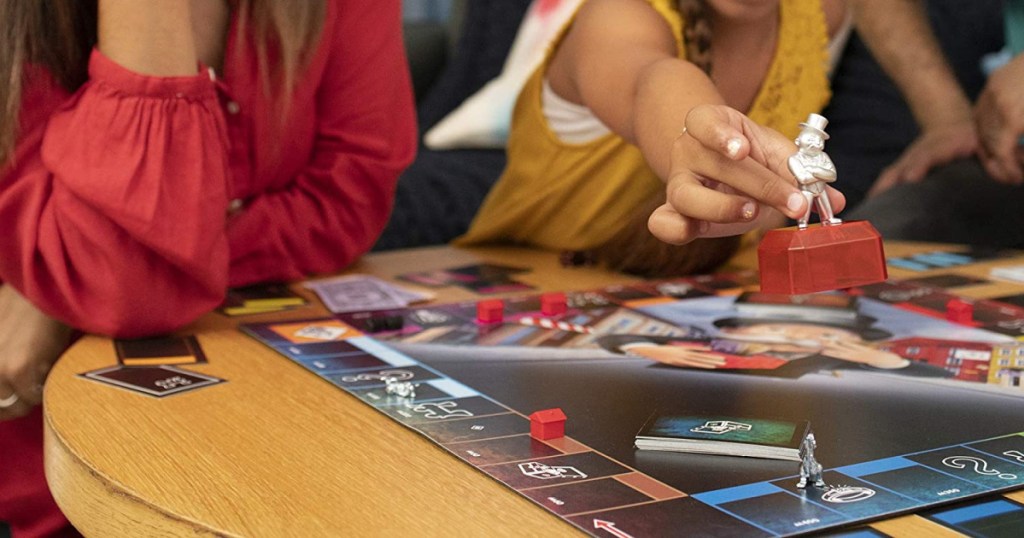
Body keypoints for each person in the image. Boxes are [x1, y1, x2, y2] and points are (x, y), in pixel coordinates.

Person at [0, 1, 416, 536]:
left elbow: (349, 195)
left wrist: (69, 279)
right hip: (50, 475)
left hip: (268, 444)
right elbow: (126, 283)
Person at [454, 0, 852, 277]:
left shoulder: (818, 14)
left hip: (716, 292)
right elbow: (654, 79)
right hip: (546, 278)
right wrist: (701, 138)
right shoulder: (615, 17)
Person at [789, 114, 841, 229]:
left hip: (821, 189)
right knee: (804, 214)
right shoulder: (794, 159)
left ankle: (828, 218)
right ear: (798, 141)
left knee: (827, 212)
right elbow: (803, 179)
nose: (816, 143)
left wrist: (815, 170)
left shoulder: (823, 156)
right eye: (811, 139)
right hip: (806, 191)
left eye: (819, 140)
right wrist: (823, 174)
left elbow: (832, 176)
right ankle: (803, 223)